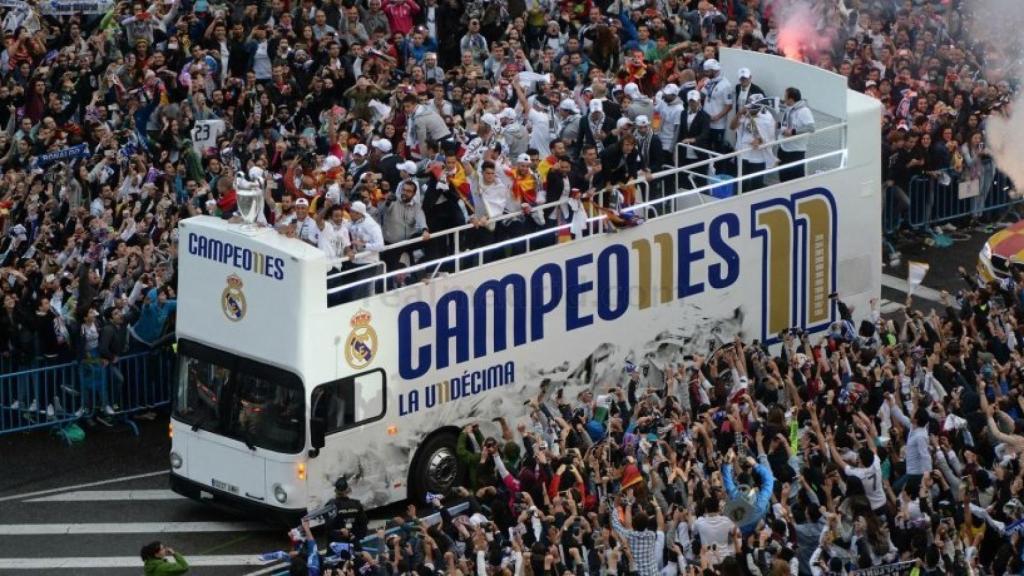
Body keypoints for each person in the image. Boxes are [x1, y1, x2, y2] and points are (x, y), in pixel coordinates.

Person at [732, 94, 777, 192]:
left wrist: (760, 140)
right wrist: (738, 114)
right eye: (751, 105)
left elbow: (771, 138)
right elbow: (732, 127)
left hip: (758, 158)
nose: (752, 108)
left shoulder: (768, 119)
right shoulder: (745, 113)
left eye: (754, 106)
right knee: (741, 185)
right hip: (744, 155)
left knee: (756, 186)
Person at [777, 87, 816, 182]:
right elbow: (786, 124)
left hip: (795, 153)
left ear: (791, 99)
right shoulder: (789, 109)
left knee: (795, 182)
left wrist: (793, 132)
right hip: (784, 149)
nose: (784, 99)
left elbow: (811, 128)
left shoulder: (804, 111)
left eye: (785, 97)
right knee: (783, 180)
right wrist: (779, 126)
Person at [325, 476, 368, 544]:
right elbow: (364, 524)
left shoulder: (330, 505)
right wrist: (356, 538)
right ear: (347, 490)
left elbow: (329, 527)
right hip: (354, 542)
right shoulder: (356, 504)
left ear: (335, 491)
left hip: (339, 545)